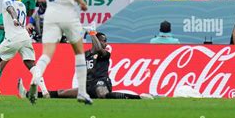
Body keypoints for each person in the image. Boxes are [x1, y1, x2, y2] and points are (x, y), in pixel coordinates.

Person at [31, 0, 92, 105]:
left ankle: (35, 79)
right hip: (67, 13)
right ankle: (83, 93)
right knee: (79, 52)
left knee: (46, 53)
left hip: (50, 14)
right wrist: (82, 3)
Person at [18, 31, 154, 100]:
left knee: (102, 93)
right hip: (88, 85)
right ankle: (30, 94)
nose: (105, 43)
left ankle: (138, 97)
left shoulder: (106, 52)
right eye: (103, 41)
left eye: (105, 41)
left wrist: (93, 35)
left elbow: (99, 49)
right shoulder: (85, 54)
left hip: (101, 82)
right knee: (62, 93)